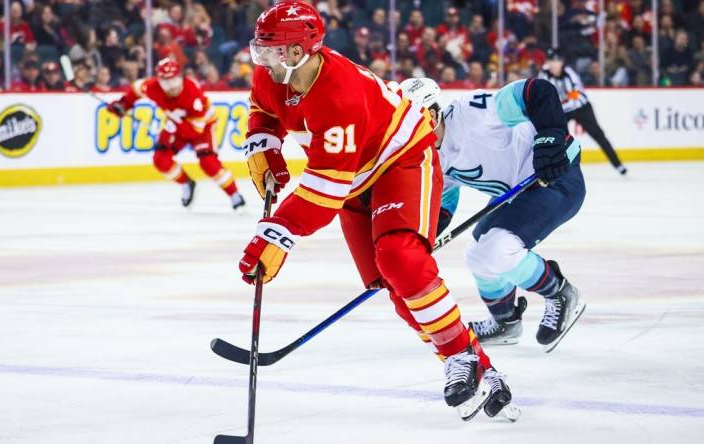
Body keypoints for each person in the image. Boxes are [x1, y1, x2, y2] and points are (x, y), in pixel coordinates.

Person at [237, 1, 516, 420]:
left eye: (269, 51)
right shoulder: (273, 73)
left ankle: (459, 356)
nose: (261, 61)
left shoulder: (340, 95)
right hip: (353, 175)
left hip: (400, 161)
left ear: (297, 52)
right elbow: (264, 109)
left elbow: (325, 189)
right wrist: (264, 142)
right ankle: (479, 366)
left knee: (400, 259)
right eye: (259, 49)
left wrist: (278, 231)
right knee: (390, 282)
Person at [398, 77, 587, 352]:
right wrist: (418, 242)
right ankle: (506, 321)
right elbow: (441, 206)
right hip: (516, 192)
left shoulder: (471, 112)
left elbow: (538, 90)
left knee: (498, 250)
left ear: (435, 110)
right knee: (477, 255)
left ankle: (560, 293)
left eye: (419, 118)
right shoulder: (429, 157)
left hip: (554, 177)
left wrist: (551, 137)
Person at [107, 58, 245, 209]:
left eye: (174, 81)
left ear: (181, 77)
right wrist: (123, 105)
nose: (171, 87)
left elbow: (195, 130)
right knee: (161, 159)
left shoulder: (192, 93)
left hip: (202, 126)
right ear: (159, 81)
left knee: (208, 162)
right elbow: (136, 89)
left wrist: (172, 126)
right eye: (166, 83)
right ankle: (187, 183)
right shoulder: (153, 87)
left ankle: (234, 194)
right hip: (175, 123)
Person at [539, 49, 627, 175]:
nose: (552, 64)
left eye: (555, 61)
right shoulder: (544, 74)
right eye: (550, 61)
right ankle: (551, 166)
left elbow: (576, 97)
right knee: (552, 136)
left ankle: (618, 165)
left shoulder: (570, 74)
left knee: (598, 135)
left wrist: (557, 105)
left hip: (582, 108)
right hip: (563, 109)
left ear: (561, 62)